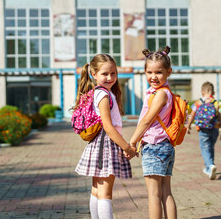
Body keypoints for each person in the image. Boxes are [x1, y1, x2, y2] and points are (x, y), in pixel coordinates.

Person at [74, 54, 137, 219]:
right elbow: (108, 127)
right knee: (105, 193)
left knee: (96, 190)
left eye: (113, 73)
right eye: (105, 74)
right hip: (106, 145)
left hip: (99, 145)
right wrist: (127, 147)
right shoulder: (103, 95)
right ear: (93, 74)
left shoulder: (98, 92)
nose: (110, 77)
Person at [129, 46, 177, 219]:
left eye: (158, 72)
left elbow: (147, 120)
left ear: (168, 72)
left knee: (154, 195)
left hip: (155, 147)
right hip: (165, 147)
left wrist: (132, 142)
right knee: (165, 193)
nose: (153, 77)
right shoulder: (164, 92)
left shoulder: (161, 94)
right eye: (149, 72)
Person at [186, 81, 221, 180]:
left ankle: (210, 165)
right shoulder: (218, 103)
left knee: (204, 149)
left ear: (202, 92)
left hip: (203, 129)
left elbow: (193, 114)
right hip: (215, 129)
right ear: (213, 93)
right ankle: (209, 168)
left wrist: (188, 125)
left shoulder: (198, 102)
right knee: (210, 148)